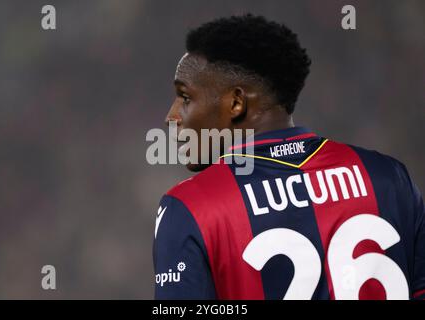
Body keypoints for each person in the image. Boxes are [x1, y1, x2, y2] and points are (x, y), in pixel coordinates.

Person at [152, 14, 424, 300]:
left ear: (235, 103)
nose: (171, 117)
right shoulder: (388, 178)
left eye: (185, 97)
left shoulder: (190, 207)